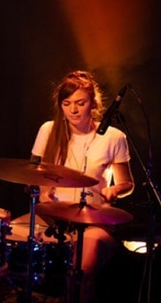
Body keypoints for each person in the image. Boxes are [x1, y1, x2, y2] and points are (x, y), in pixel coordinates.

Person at [30, 70, 134, 303]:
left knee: (82, 272)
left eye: (80, 103)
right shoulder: (48, 130)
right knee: (8, 238)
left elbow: (128, 183)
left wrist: (115, 190)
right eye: (66, 103)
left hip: (94, 221)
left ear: (93, 103)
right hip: (53, 218)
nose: (73, 110)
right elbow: (30, 172)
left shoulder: (113, 137)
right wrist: (42, 189)